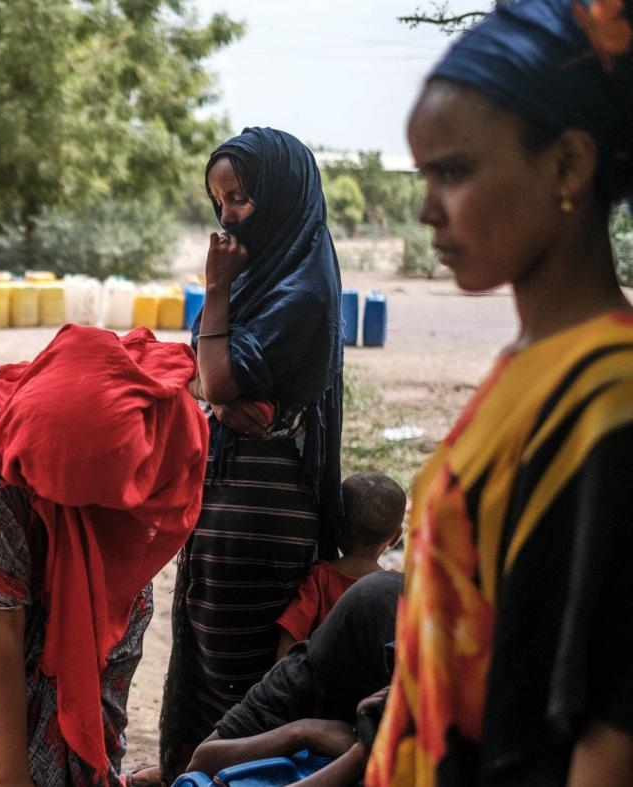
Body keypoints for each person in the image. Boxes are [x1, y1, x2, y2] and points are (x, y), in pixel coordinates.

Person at [368, 1, 633, 784]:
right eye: (424, 176)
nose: (426, 212)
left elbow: (612, 729)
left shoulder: (610, 397)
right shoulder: (531, 362)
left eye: (452, 172)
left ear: (568, 166)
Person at [0, 325, 208, 787]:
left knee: (92, 746)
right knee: (1, 755)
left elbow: (134, 551)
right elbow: (1, 628)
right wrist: (10, 774)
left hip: (103, 617)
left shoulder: (164, 433)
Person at [159, 126, 345, 777]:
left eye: (240, 197)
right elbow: (204, 371)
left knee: (240, 680)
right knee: (211, 661)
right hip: (230, 498)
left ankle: (227, 776)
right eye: (219, 200)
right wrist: (216, 384)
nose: (227, 215)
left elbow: (216, 377)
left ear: (282, 194)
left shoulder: (304, 290)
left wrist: (214, 293)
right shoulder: (272, 273)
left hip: (259, 515)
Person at [185, 571, 404, 787]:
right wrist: (304, 733)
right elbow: (200, 765)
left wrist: (361, 753)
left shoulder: (408, 709)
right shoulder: (303, 677)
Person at [275, 472, 404, 660]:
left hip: (321, 683)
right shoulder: (396, 589)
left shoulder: (319, 578)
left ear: (336, 527)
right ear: (395, 537)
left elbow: (290, 636)